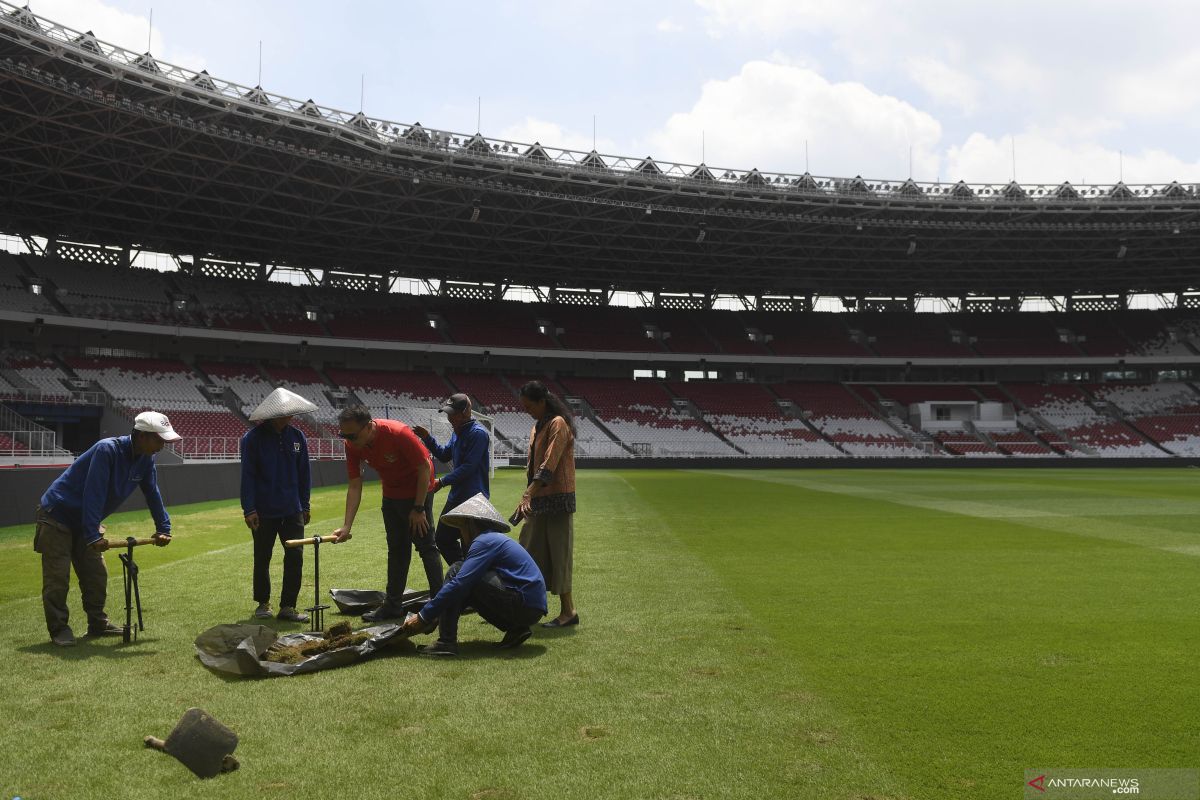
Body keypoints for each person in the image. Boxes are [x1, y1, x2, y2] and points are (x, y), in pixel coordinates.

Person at [34, 410, 179, 646]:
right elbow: (94, 492)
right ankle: (59, 629)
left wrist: (164, 527)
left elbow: (153, 493)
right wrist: (92, 534)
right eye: (159, 439)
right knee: (57, 579)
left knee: (96, 575)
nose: (163, 445)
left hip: (85, 521)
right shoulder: (107, 450)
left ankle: (97, 623)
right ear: (142, 436)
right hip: (56, 516)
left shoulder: (145, 460)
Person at [331, 405, 441, 621]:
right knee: (397, 550)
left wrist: (418, 509)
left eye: (352, 435)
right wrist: (347, 526)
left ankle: (440, 606)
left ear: (368, 426)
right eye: (344, 435)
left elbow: (424, 469)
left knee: (426, 548)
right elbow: (354, 484)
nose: (348, 440)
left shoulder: (398, 433)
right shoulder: (352, 445)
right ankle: (392, 607)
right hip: (391, 496)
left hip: (418, 492)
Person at [401, 493, 546, 656]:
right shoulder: (492, 539)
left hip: (524, 604)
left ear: (470, 524)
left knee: (457, 570)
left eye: (462, 527)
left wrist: (423, 616)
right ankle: (516, 629)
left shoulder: (484, 541)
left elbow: (460, 583)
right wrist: (437, 614)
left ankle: (446, 642)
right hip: (532, 608)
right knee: (464, 581)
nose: (460, 534)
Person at [240, 387, 317, 623]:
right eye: (286, 412)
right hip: (263, 511)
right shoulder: (252, 439)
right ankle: (263, 603)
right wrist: (249, 509)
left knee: (295, 557)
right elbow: (248, 476)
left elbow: (304, 474)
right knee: (262, 556)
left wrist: (305, 505)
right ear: (273, 414)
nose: (291, 415)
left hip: (292, 508)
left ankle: (288, 607)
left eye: (292, 412)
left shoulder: (297, 437)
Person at [512, 380, 579, 628]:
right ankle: (523, 604)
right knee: (528, 551)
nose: (527, 410)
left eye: (530, 406)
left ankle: (568, 611)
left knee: (559, 556)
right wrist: (529, 495)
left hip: (559, 500)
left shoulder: (558, 424)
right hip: (538, 499)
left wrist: (528, 494)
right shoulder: (536, 427)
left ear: (542, 402)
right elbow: (533, 466)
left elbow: (550, 463)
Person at [412, 393, 490, 566]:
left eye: (452, 413)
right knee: (443, 539)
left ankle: (469, 580)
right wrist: (427, 438)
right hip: (457, 497)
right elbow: (444, 454)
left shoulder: (478, 434)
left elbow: (469, 468)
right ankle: (464, 575)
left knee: (470, 545)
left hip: (474, 498)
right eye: (448, 413)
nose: (449, 417)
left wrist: (442, 481)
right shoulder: (457, 432)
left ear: (465, 412)